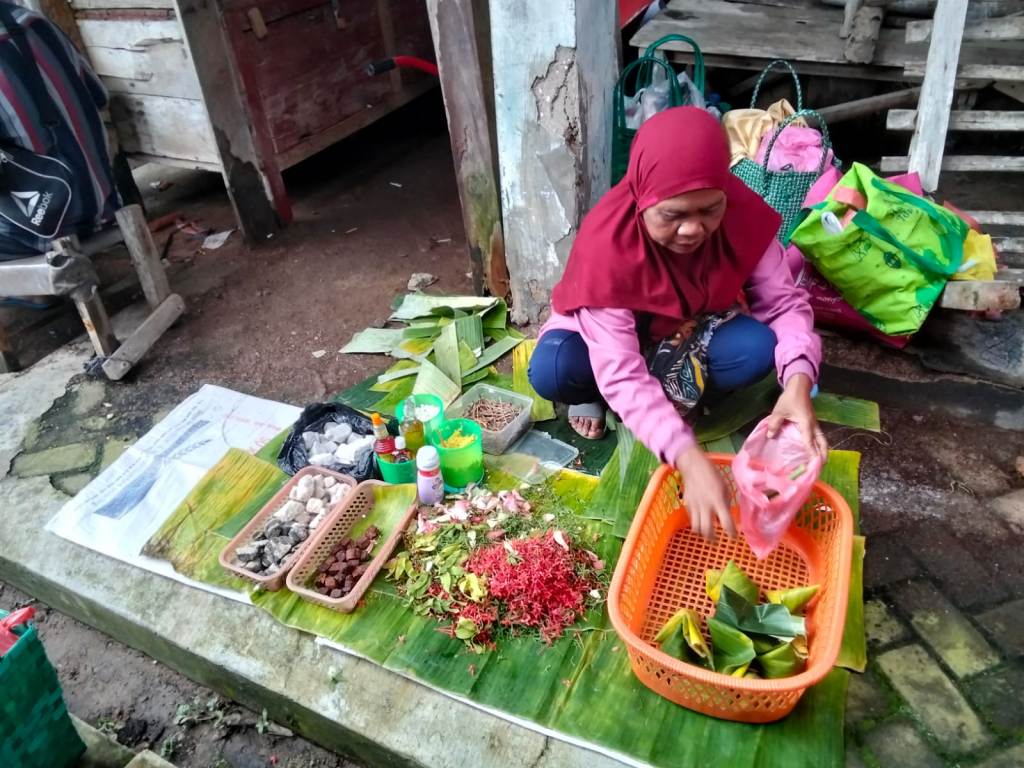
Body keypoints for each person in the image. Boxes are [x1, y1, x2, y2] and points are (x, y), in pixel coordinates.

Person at [528, 106, 826, 542]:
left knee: (756, 348)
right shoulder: (605, 247)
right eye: (672, 215)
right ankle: (599, 398)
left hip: (689, 328)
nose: (693, 229)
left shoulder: (744, 217)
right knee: (555, 368)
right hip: (610, 348)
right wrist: (686, 456)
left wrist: (798, 383)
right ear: (643, 198)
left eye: (709, 209)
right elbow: (622, 371)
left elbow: (784, 304)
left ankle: (678, 395)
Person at [0, 1, 118, 259]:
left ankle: (34, 291)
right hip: (103, 204)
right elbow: (99, 96)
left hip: (40, 234)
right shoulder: (35, 23)